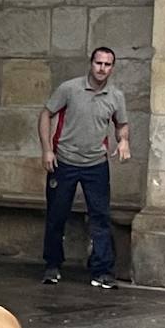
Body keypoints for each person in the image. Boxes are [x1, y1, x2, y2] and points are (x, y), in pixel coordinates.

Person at [37, 47, 130, 289]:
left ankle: (102, 271)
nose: (102, 68)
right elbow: (46, 114)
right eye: (98, 63)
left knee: (100, 217)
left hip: (96, 164)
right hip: (64, 160)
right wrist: (47, 149)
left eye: (107, 64)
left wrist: (124, 140)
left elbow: (122, 124)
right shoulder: (70, 89)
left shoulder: (115, 96)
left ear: (112, 68)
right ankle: (52, 265)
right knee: (57, 215)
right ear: (91, 64)